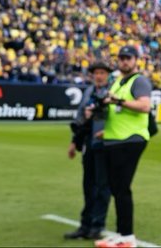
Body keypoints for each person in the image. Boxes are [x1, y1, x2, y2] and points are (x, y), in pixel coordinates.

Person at [94, 44, 153, 248]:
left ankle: (127, 236)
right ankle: (122, 234)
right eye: (122, 58)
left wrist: (117, 101)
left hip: (130, 139)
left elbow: (145, 106)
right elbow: (114, 108)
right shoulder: (118, 81)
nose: (125, 61)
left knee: (121, 187)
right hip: (115, 138)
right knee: (117, 187)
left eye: (128, 58)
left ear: (136, 60)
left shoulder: (139, 81)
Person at [65, 58, 113, 241]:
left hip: (105, 144)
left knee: (102, 187)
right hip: (89, 144)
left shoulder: (113, 92)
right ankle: (85, 225)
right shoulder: (89, 92)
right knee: (88, 186)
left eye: (102, 73)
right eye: (96, 73)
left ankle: (97, 225)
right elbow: (80, 119)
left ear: (107, 75)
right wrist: (73, 142)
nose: (99, 76)